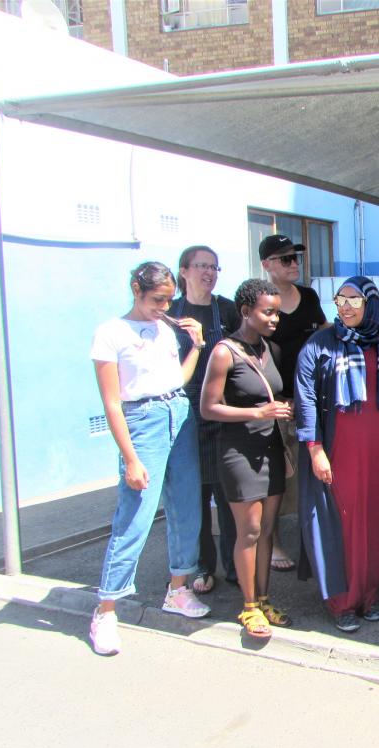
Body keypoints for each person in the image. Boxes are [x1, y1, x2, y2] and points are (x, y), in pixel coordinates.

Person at [88, 262, 210, 656]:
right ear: (135, 289)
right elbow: (111, 403)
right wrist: (130, 458)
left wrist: (198, 347)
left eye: (169, 299)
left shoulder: (165, 328)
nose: (164, 306)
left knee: (186, 507)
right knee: (135, 516)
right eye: (157, 299)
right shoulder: (111, 332)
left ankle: (178, 588)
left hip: (178, 412)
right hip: (141, 421)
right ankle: (106, 608)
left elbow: (177, 379)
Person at [294, 276, 379, 632]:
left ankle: (369, 594)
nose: (345, 306)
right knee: (340, 521)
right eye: (340, 298)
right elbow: (306, 399)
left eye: (355, 300)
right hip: (339, 451)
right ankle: (341, 600)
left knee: (377, 520)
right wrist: (315, 450)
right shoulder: (320, 345)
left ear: (371, 305)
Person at [200, 279, 293, 639]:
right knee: (250, 531)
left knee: (269, 529)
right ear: (245, 312)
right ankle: (249, 607)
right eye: (267, 312)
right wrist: (257, 414)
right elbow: (208, 408)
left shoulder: (271, 350)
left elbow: (275, 394)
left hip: (270, 447)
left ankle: (266, 599)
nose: (274, 318)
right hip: (239, 452)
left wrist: (285, 408)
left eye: (277, 312)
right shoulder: (225, 351)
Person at [172, 244, 241, 591]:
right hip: (185, 418)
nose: (209, 273)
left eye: (214, 267)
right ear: (183, 271)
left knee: (229, 496)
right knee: (194, 496)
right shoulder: (170, 314)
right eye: (201, 266)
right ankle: (201, 566)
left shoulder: (226, 311)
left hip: (222, 414)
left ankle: (233, 565)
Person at [260, 233, 326, 572]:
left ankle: (310, 541)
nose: (294, 264)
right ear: (267, 265)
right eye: (285, 259)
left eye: (296, 257)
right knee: (275, 478)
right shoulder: (261, 300)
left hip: (311, 401)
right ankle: (271, 543)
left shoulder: (311, 296)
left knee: (308, 474)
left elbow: (326, 333)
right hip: (275, 403)